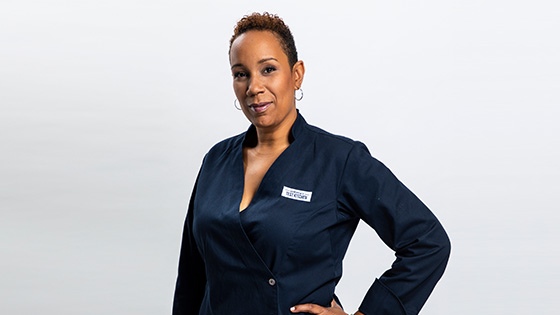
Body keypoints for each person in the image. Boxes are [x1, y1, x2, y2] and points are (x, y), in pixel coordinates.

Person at [173, 12, 450, 315]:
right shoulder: (216, 160)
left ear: (296, 74)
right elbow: (192, 274)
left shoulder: (339, 161)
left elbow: (428, 242)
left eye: (268, 69)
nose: (254, 87)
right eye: (241, 74)